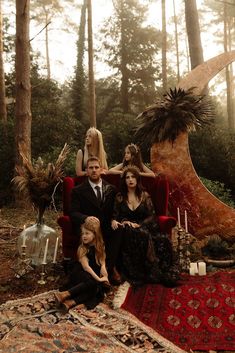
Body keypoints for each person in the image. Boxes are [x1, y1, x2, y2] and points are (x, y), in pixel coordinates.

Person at [111, 165, 180, 287]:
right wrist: (119, 222)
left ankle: (162, 271)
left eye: (133, 177)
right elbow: (115, 216)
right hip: (128, 230)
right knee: (132, 231)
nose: (130, 179)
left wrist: (139, 225)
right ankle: (150, 271)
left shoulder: (145, 195)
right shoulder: (120, 197)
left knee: (162, 240)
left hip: (144, 226)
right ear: (124, 180)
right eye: (127, 177)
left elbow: (152, 216)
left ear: (137, 179)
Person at [70, 156, 122, 284]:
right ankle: (99, 272)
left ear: (101, 170)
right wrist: (85, 218)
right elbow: (73, 212)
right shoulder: (78, 190)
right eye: (91, 168)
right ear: (86, 171)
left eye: (96, 167)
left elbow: (116, 210)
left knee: (119, 230)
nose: (94, 170)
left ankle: (108, 268)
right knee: (90, 233)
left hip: (106, 226)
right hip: (89, 227)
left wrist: (114, 219)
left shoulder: (111, 189)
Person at [54, 218, 110, 312]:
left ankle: (70, 302)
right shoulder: (82, 248)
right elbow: (86, 267)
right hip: (80, 273)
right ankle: (65, 294)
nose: (84, 236)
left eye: (87, 233)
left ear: (95, 234)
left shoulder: (100, 245)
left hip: (91, 275)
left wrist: (103, 267)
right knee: (93, 283)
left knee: (97, 291)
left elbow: (102, 257)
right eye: (83, 233)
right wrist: (99, 279)